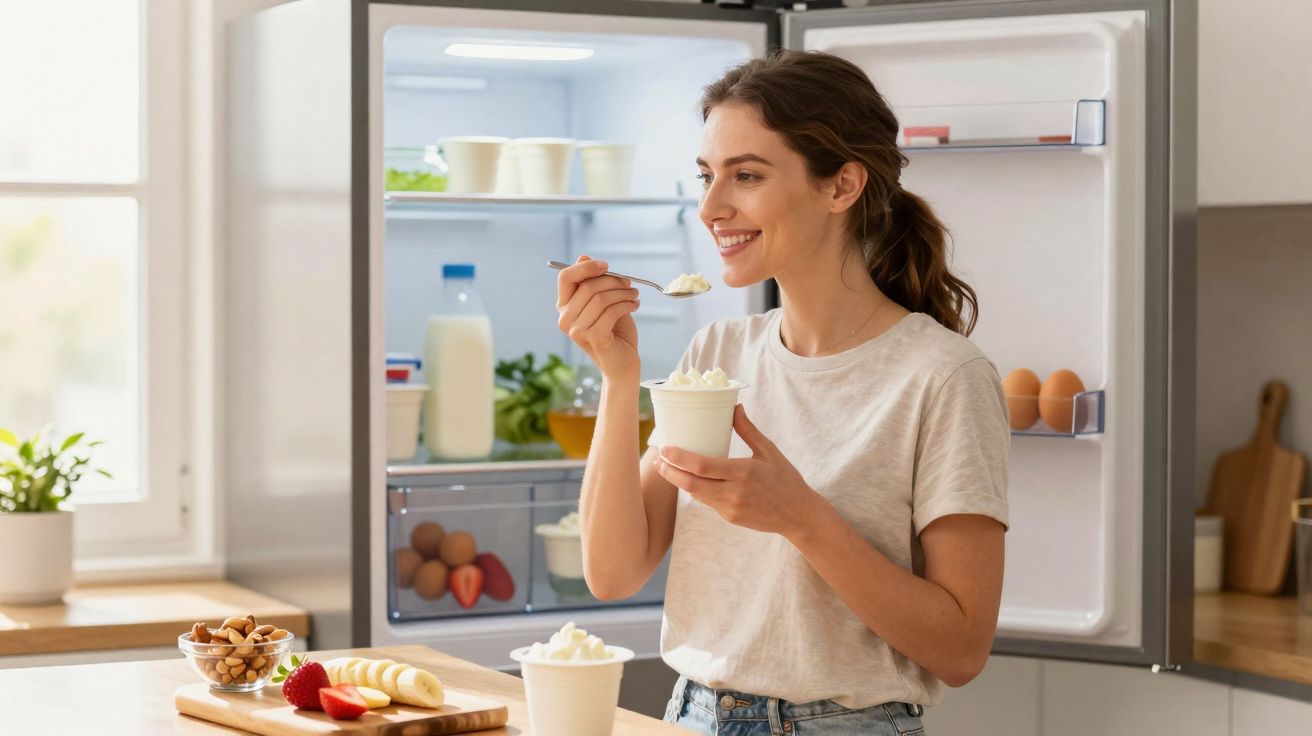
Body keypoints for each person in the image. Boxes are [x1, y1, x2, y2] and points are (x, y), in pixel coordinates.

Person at [554, 49, 1009, 736]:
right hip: (690, 714)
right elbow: (613, 572)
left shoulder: (942, 376)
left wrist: (802, 518)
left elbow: (962, 648)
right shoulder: (719, 351)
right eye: (707, 176)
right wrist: (621, 379)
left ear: (841, 186)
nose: (711, 207)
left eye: (747, 175)